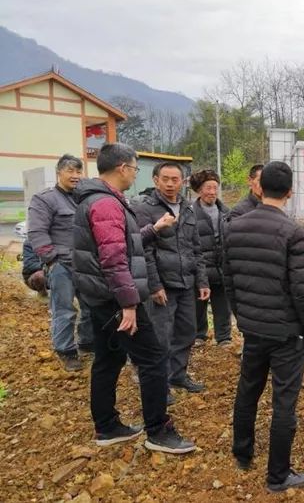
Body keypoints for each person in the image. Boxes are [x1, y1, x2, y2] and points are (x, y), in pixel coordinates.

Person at [72, 142, 195, 453]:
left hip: (101, 296)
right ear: (123, 168)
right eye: (135, 168)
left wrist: (153, 229)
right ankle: (158, 431)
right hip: (116, 298)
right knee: (153, 359)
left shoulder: (99, 200)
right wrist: (128, 304)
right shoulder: (105, 204)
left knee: (108, 358)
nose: (133, 174)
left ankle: (107, 425)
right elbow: (113, 258)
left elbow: (122, 243)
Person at [225, 161, 304, 493]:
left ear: (259, 187)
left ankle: (242, 453)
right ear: (290, 192)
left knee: (248, 389)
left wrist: (243, 317)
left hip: (254, 329)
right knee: (284, 402)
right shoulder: (293, 233)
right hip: (285, 333)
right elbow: (303, 291)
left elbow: (229, 281)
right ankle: (278, 476)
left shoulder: (234, 227)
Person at [133, 163, 210, 396]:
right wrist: (154, 285)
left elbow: (196, 248)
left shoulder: (187, 208)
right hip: (162, 284)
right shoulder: (145, 209)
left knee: (187, 332)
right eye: (165, 179)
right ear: (156, 180)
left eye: (175, 179)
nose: (170, 184)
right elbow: (143, 251)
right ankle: (160, 385)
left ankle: (178, 375)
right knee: (160, 336)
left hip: (186, 282)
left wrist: (202, 281)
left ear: (183, 182)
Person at [27, 154, 94, 370]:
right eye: (70, 171)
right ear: (59, 172)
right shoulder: (44, 199)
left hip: (86, 263)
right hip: (62, 265)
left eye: (78, 171)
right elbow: (37, 233)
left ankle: (87, 342)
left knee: (91, 307)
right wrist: (52, 260)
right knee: (64, 310)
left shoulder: (84, 197)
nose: (75, 176)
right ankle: (66, 350)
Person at [190, 170, 232, 347]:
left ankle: (224, 337)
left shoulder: (226, 211)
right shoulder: (190, 212)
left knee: (223, 304)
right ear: (199, 190)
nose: (212, 192)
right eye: (208, 188)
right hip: (201, 267)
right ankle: (199, 334)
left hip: (222, 266)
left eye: (215, 187)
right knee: (199, 304)